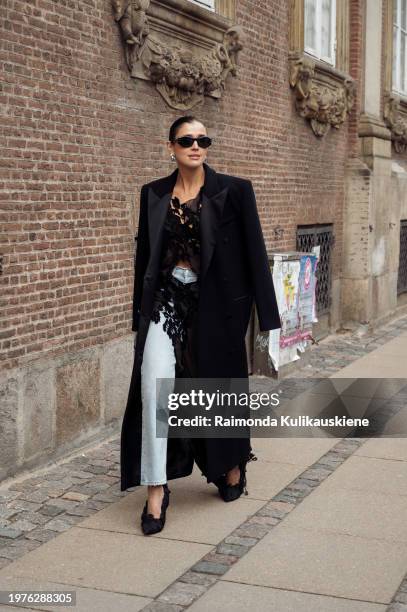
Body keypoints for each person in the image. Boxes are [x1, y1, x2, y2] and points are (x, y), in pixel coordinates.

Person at [120, 115, 281, 535]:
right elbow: (145, 260)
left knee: (217, 387)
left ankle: (230, 463)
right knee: (155, 383)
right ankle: (156, 489)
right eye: (186, 140)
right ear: (170, 146)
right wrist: (139, 311)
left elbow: (254, 249)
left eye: (202, 139)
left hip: (218, 304)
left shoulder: (235, 190)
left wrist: (266, 315)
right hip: (167, 300)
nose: (196, 145)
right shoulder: (153, 194)